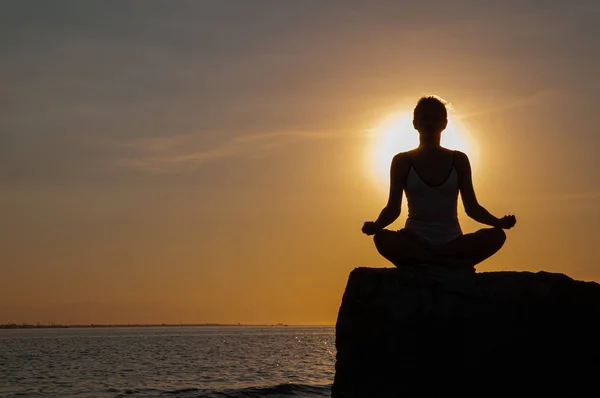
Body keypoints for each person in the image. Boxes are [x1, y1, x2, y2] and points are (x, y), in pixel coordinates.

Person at [362, 96, 516, 270]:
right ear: (415, 123)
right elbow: (393, 208)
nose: (429, 123)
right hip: (415, 242)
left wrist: (498, 223)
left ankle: (430, 262)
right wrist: (377, 225)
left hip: (453, 244)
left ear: (444, 124)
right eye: (424, 118)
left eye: (434, 118)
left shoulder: (459, 160)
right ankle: (446, 263)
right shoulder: (402, 161)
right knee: (382, 239)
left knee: (496, 236)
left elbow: (472, 208)